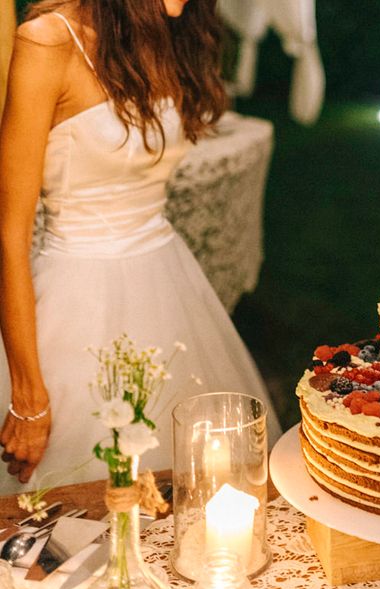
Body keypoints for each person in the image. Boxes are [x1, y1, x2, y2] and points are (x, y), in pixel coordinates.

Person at [0, 0, 282, 493]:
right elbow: (9, 233)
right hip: (78, 296)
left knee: (202, 486)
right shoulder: (49, 41)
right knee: (83, 501)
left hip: (168, 281)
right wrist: (28, 397)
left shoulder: (168, 34)